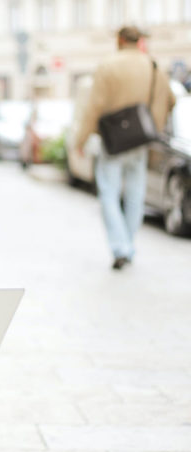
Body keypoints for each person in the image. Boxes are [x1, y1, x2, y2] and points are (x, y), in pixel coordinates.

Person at [75, 25, 175, 270]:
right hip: (140, 140)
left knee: (109, 193)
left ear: (120, 40)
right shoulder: (152, 66)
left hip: (114, 141)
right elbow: (170, 100)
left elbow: (94, 107)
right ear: (138, 41)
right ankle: (128, 245)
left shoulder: (108, 65)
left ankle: (120, 247)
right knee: (135, 195)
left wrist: (81, 140)